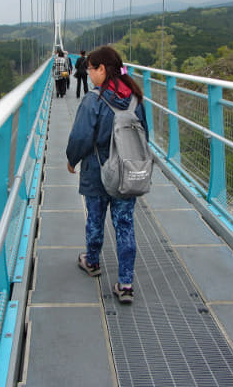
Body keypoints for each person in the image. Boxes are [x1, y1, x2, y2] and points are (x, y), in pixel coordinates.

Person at [66, 46, 148, 304]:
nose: (88, 74)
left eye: (90, 68)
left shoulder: (93, 100)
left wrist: (72, 160)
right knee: (125, 225)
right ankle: (125, 284)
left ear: (102, 69)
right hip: (126, 174)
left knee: (95, 219)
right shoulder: (135, 98)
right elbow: (144, 136)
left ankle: (92, 261)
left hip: (96, 172)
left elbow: (80, 136)